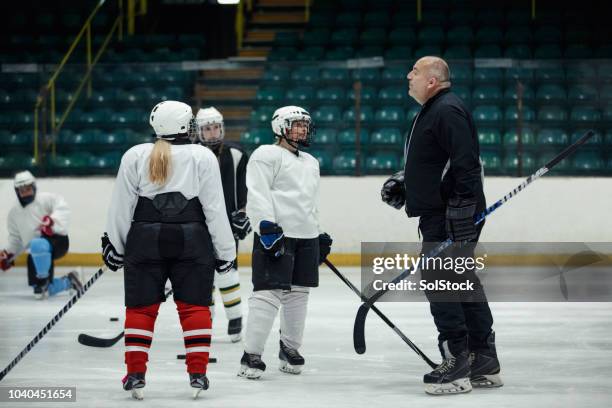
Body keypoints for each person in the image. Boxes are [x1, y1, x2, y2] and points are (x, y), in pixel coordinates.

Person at [381, 56, 501, 395]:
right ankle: (483, 360)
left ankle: (457, 363)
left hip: (450, 215)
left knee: (441, 281)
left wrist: (460, 212)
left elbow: (465, 164)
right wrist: (407, 183)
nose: (409, 75)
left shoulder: (446, 110)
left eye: (415, 71)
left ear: (432, 79)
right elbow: (439, 163)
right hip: (444, 211)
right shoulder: (433, 109)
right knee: (460, 280)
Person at [102, 100, 236, 400]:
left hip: (144, 239)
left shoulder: (135, 155)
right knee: (195, 307)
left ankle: (136, 373)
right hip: (193, 238)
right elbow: (215, 209)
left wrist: (115, 244)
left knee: (141, 308)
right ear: (184, 126)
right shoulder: (202, 156)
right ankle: (198, 373)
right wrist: (226, 252)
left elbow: (121, 207)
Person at [238, 105, 332, 380]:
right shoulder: (266, 155)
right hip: (276, 234)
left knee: (298, 295)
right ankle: (251, 354)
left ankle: (289, 349)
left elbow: (309, 202)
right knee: (267, 294)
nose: (302, 129)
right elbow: (257, 193)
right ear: (280, 127)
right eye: (296, 124)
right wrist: (265, 225)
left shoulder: (311, 162)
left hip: (305, 237)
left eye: (305, 124)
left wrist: (317, 232)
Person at [194, 106, 251, 343]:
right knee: (201, 274)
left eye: (216, 127)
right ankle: (204, 320)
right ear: (199, 131)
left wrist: (243, 215)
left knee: (228, 270)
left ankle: (235, 318)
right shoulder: (189, 154)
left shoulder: (237, 154)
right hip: (197, 224)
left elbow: (246, 190)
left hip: (228, 224)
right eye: (207, 128)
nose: (213, 132)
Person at [1, 170, 82, 299]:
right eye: (22, 190)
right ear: (17, 192)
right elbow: (16, 239)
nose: (26, 192)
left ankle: (43, 278)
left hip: (58, 241)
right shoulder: (14, 213)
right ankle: (69, 281)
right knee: (40, 291)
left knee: (38, 244)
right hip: (36, 251)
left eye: (28, 188)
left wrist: (52, 221)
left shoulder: (47, 199)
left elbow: (63, 208)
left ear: (34, 187)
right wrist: (9, 255)